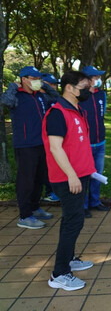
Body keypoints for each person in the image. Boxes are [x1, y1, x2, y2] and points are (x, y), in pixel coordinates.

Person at [42, 70, 96, 291]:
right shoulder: (57, 113)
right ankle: (59, 273)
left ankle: (69, 258)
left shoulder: (76, 110)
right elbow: (55, 148)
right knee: (73, 222)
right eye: (84, 86)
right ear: (70, 88)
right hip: (68, 179)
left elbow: (75, 146)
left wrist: (86, 171)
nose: (89, 90)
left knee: (72, 221)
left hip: (80, 175)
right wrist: (72, 175)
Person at [0, 66, 59, 229]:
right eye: (34, 79)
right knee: (26, 181)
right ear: (24, 79)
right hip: (25, 145)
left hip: (41, 143)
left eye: (38, 79)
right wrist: (12, 86)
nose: (37, 82)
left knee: (39, 178)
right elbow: (5, 101)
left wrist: (45, 86)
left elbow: (56, 99)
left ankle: (35, 207)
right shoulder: (16, 96)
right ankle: (25, 216)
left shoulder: (39, 96)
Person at [79, 66, 109, 218]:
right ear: (88, 80)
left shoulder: (101, 95)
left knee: (97, 174)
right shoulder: (79, 97)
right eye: (96, 77)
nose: (98, 80)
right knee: (84, 175)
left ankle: (95, 201)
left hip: (100, 142)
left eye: (99, 77)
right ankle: (83, 205)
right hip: (85, 144)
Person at [41, 73, 61, 202]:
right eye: (50, 84)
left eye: (54, 84)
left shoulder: (55, 98)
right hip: (41, 136)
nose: (53, 87)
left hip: (55, 135)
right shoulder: (40, 98)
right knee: (45, 166)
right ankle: (49, 192)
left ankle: (54, 190)